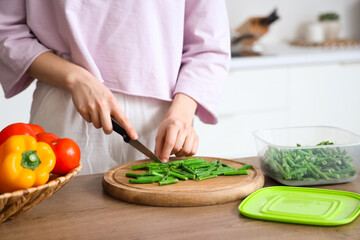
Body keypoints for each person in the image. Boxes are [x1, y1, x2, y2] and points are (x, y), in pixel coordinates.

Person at [0, 1, 230, 174]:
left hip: (164, 123)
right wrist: (76, 77)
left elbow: (209, 45)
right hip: (67, 108)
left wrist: (181, 115)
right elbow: (6, 29)